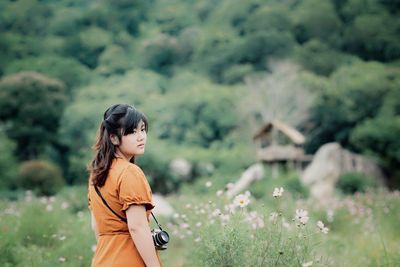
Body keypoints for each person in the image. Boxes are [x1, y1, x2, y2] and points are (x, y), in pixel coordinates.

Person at [87, 104, 162, 267]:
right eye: (132, 132)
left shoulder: (97, 174)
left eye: (142, 129)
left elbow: (96, 226)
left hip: (103, 258)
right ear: (113, 138)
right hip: (129, 258)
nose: (141, 137)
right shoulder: (129, 172)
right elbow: (137, 227)